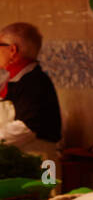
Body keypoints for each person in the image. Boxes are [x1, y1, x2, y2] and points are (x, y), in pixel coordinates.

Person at [0, 22, 61, 158]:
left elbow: (27, 127)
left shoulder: (34, 82)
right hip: (20, 162)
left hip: (42, 164)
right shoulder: (12, 80)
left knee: (47, 181)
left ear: (12, 50)